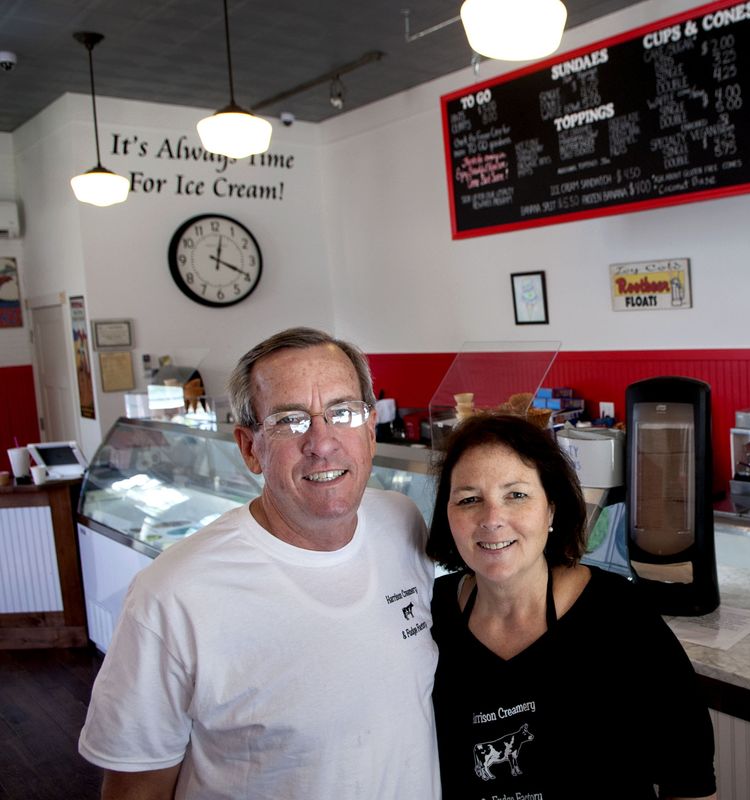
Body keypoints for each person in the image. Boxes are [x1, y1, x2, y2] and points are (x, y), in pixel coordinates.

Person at [78, 327, 440, 799]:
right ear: (250, 448)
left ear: (371, 430)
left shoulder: (402, 523)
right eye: (290, 420)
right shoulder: (172, 595)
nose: (322, 441)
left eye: (343, 412)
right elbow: (136, 787)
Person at [426, 413, 717, 799]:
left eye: (516, 495)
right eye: (469, 499)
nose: (492, 519)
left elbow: (689, 781)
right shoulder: (429, 616)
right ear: (448, 516)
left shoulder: (620, 618)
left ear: (551, 509)